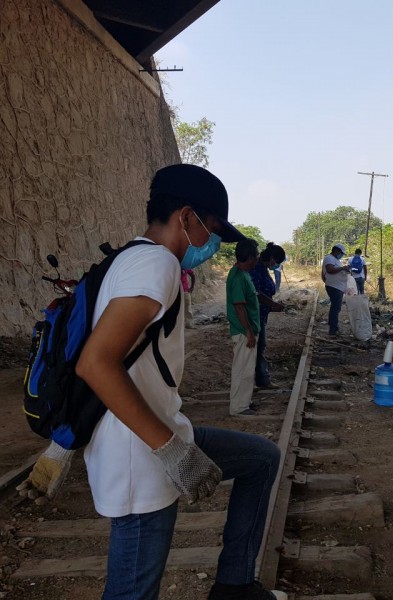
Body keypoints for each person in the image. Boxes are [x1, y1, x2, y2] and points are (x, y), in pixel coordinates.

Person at [21, 164, 284, 599]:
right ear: (186, 217)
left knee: (261, 458)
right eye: (212, 229)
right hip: (140, 456)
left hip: (153, 430)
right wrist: (173, 452)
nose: (213, 243)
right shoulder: (155, 265)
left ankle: (234, 585)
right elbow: (95, 363)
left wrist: (61, 446)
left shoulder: (129, 258)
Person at [227, 239, 262, 416]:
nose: (258, 258)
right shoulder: (239, 277)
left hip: (247, 330)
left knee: (247, 368)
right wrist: (248, 331)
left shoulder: (243, 273)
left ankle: (244, 402)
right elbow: (239, 306)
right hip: (242, 332)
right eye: (256, 254)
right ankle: (239, 408)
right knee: (243, 369)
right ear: (249, 257)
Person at [250, 243, 286, 390]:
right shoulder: (256, 269)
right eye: (276, 262)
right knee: (258, 347)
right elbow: (255, 293)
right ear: (271, 258)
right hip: (254, 315)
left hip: (262, 314)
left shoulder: (263, 269)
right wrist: (272, 304)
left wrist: (273, 306)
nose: (276, 265)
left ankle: (261, 379)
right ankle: (261, 380)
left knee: (260, 347)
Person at [321, 243, 349, 336]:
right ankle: (333, 329)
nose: (341, 256)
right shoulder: (329, 258)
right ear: (336, 251)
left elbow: (330, 271)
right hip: (334, 287)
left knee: (336, 308)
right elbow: (330, 270)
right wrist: (342, 268)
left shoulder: (335, 260)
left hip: (337, 286)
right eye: (341, 253)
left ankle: (334, 327)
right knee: (335, 308)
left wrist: (344, 269)